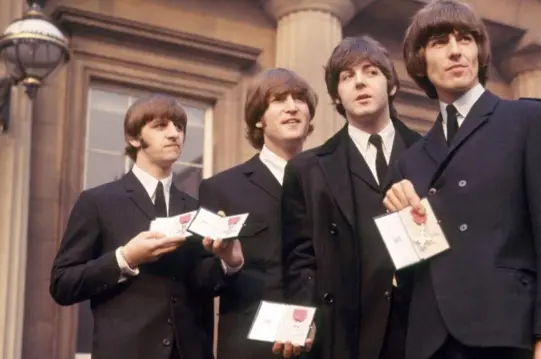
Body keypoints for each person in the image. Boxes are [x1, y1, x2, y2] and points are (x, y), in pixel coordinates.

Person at [382, 1, 541, 358]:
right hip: (431, 345)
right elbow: (414, 275)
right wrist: (400, 220)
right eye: (439, 42)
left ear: (479, 52)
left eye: (466, 39)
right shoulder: (408, 162)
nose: (456, 51)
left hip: (509, 335)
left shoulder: (530, 119)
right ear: (420, 61)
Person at [50, 95, 244, 359]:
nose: (174, 134)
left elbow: (202, 283)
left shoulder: (197, 208)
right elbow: (62, 283)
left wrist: (228, 262)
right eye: (161, 126)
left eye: (179, 127)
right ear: (134, 138)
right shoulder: (97, 201)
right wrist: (125, 258)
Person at [277, 35, 422, 359]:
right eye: (347, 77)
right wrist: (303, 319)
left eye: (370, 72)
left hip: (419, 329)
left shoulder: (429, 153)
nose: (359, 83)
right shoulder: (306, 169)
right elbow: (300, 258)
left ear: (392, 86)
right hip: (344, 334)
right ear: (337, 97)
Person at [198, 68, 317, 359]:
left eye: (299, 99)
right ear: (259, 119)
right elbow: (199, 279)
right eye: (278, 100)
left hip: (323, 345)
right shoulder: (221, 188)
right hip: (252, 349)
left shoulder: (333, 184)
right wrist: (231, 264)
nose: (292, 107)